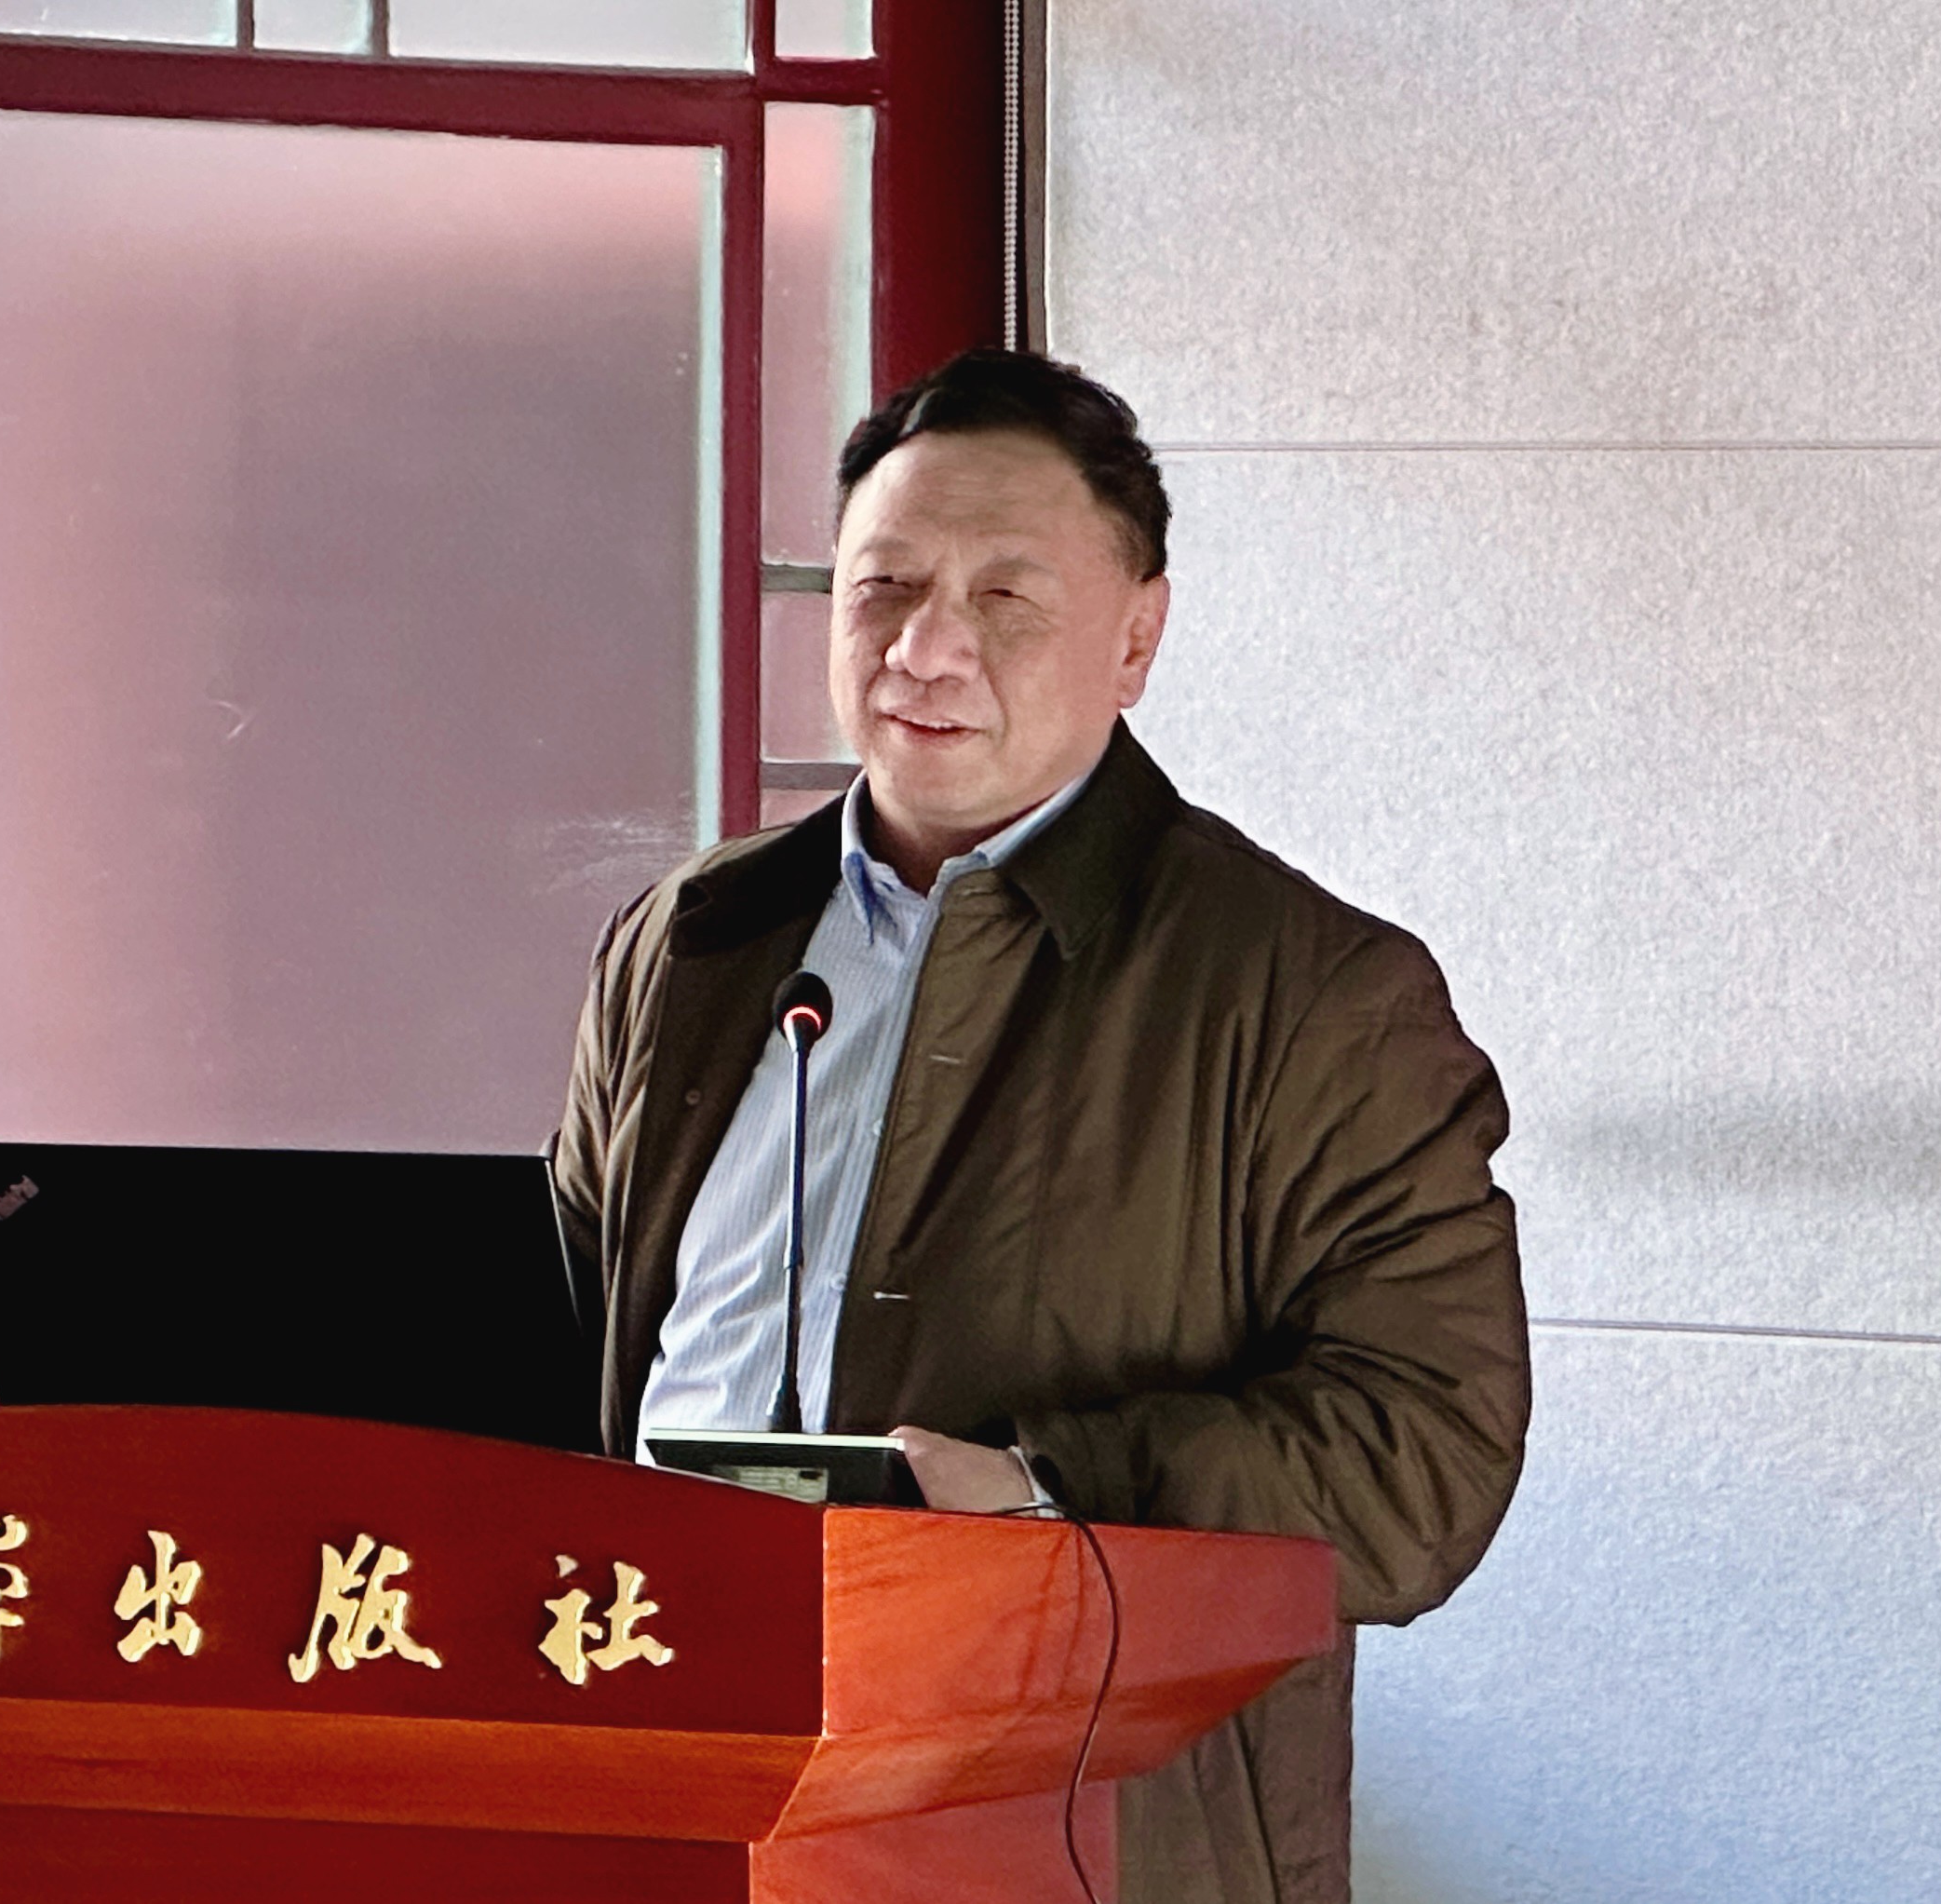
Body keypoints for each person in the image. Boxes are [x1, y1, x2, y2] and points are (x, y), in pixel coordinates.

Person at [550, 348, 1529, 1903]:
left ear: (1137, 637)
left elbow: (1427, 1455)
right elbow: (584, 1342)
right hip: (677, 1792)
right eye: (883, 588)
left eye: (1004, 598)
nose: (923, 650)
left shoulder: (1312, 994)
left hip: (1080, 1827)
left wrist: (1047, 1490)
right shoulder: (690, 945)